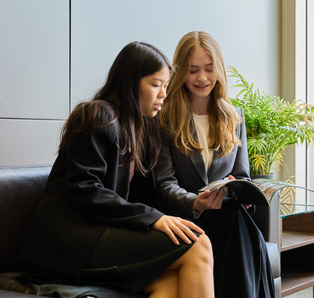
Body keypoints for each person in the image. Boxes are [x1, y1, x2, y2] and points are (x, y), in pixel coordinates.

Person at [17, 41, 214, 298]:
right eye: (156, 85)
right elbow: (86, 190)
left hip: (97, 235)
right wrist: (154, 218)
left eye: (165, 86)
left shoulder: (138, 127)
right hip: (69, 245)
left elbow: (144, 194)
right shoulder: (98, 115)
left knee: (170, 280)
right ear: (131, 83)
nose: (163, 94)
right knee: (197, 244)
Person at [156, 31, 275, 298]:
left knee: (235, 217)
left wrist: (240, 190)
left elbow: (241, 174)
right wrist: (195, 203)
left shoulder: (234, 116)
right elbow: (164, 184)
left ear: (218, 69)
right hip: (188, 216)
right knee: (238, 226)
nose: (202, 78)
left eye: (209, 69)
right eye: (193, 70)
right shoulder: (165, 118)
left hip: (227, 213)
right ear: (180, 73)